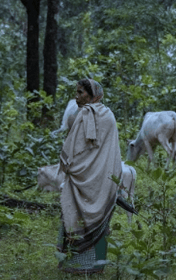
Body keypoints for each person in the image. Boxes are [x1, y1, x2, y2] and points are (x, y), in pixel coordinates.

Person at [57, 78, 123, 274]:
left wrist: (73, 169)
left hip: (80, 179)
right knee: (99, 217)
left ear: (92, 94)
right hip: (102, 180)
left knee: (74, 214)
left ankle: (74, 265)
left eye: (80, 93)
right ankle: (95, 265)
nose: (76, 97)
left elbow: (72, 152)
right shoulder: (109, 115)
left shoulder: (80, 115)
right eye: (76, 93)